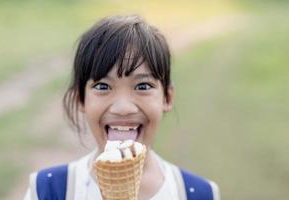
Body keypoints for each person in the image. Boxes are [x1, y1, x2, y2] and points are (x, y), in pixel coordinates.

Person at [24, 15, 220, 200]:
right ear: (81, 99)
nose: (123, 108)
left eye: (143, 86)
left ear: (167, 98)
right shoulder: (48, 190)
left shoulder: (198, 194)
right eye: (102, 86)